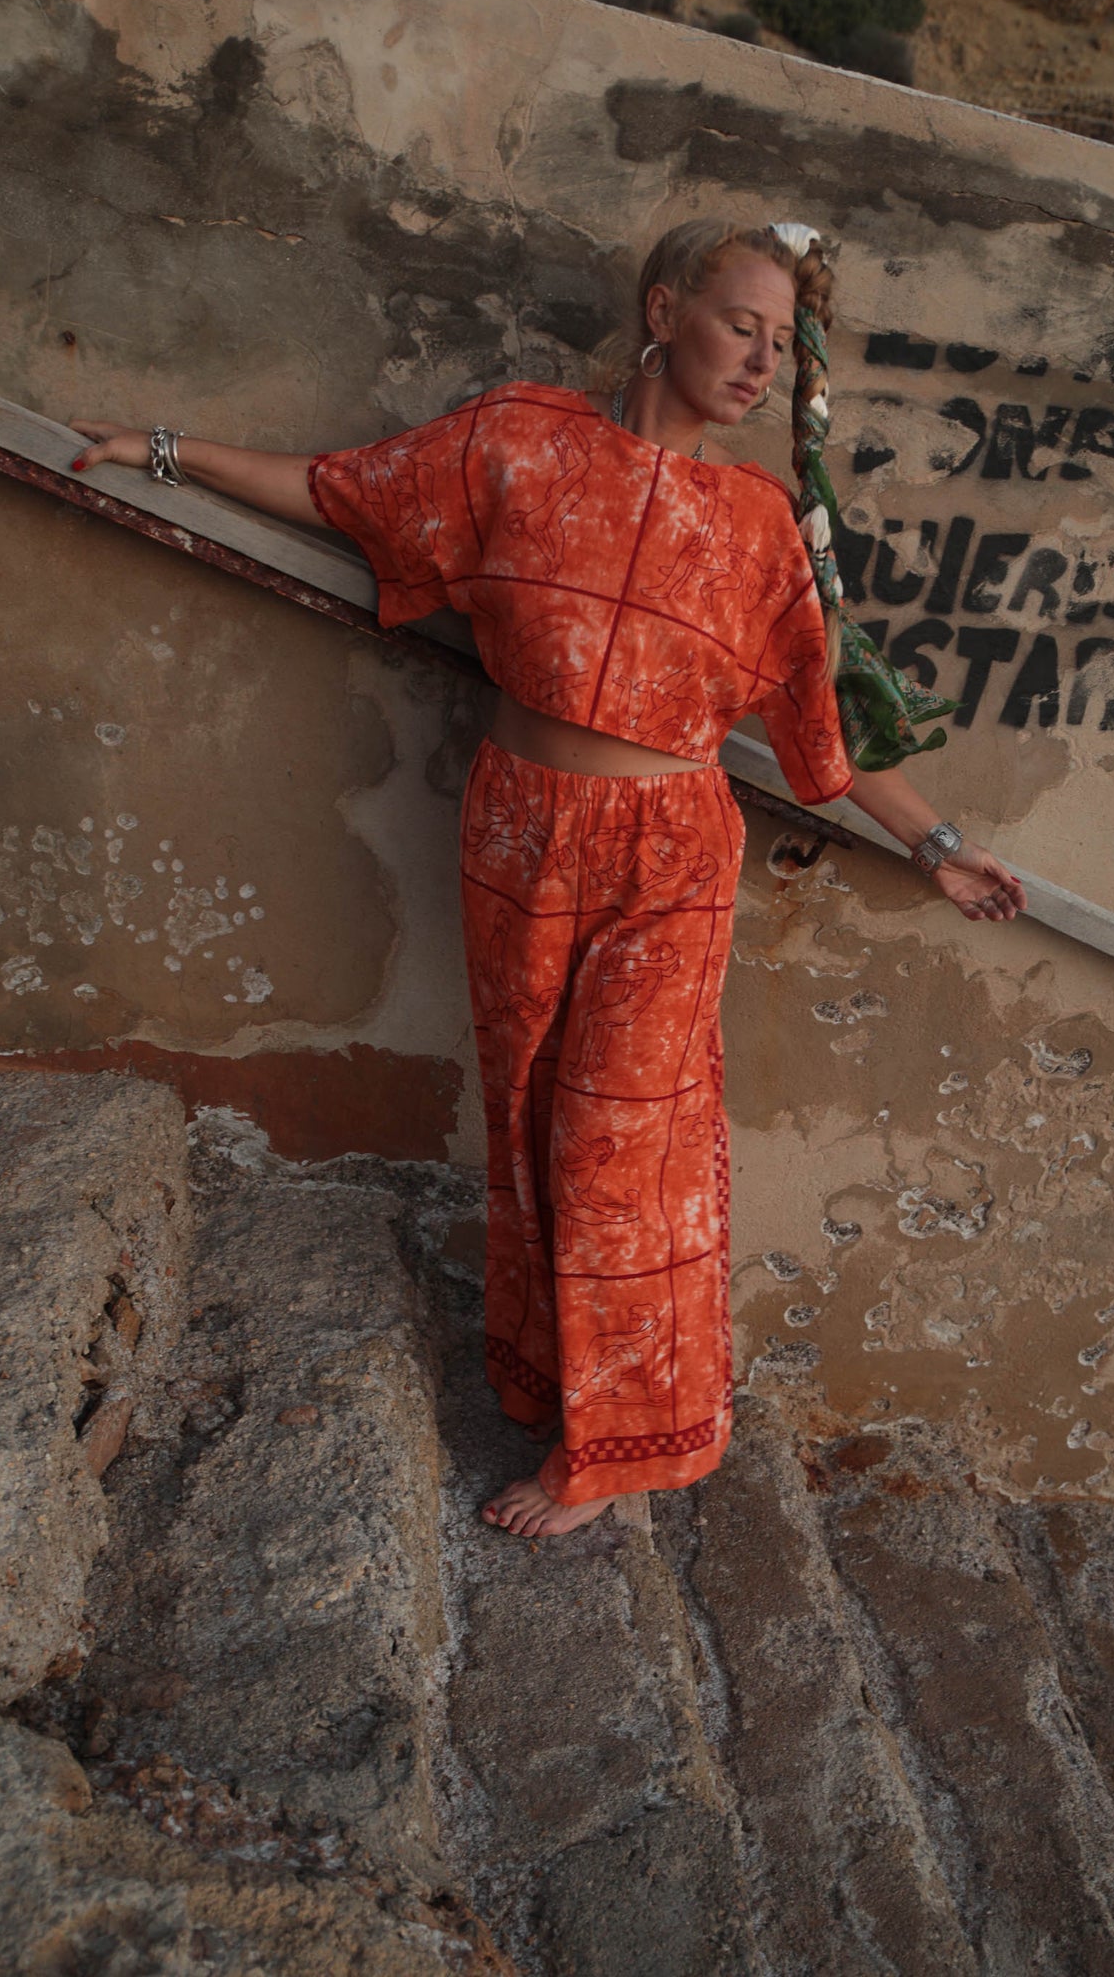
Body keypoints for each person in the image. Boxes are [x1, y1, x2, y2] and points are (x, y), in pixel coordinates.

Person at [70, 218, 1027, 1539]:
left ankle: (633, 1441)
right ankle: (549, 1379)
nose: (759, 359)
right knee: (526, 1121)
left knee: (621, 1137)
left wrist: (937, 844)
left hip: (670, 850)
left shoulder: (755, 528)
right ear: (661, 309)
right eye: (738, 323)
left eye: (779, 340)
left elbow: (826, 733)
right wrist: (162, 450)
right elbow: (347, 490)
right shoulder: (517, 441)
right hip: (518, 830)